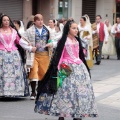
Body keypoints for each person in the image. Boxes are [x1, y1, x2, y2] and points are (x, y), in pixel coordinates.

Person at [35, 20, 98, 120]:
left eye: (77, 28)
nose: (76, 30)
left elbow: (80, 54)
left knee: (79, 92)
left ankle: (78, 113)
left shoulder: (77, 40)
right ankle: (62, 114)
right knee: (63, 91)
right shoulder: (63, 40)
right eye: (73, 28)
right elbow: (59, 56)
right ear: (68, 29)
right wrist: (58, 69)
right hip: (66, 67)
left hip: (79, 67)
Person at [0, 14, 36, 97]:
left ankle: (15, 91)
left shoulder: (13, 31)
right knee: (3, 73)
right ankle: (2, 92)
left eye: (8, 20)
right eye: (4, 20)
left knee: (15, 73)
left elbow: (19, 42)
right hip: (2, 54)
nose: (6, 22)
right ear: (1, 21)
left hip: (14, 55)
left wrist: (29, 47)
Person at [21, 14, 50, 100]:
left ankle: (41, 90)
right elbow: (21, 41)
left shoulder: (47, 30)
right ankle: (33, 92)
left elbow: (54, 39)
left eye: (42, 19)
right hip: (34, 55)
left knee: (43, 73)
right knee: (33, 72)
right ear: (34, 21)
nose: (40, 21)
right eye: (38, 20)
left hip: (45, 54)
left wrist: (51, 44)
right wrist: (29, 47)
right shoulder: (30, 31)